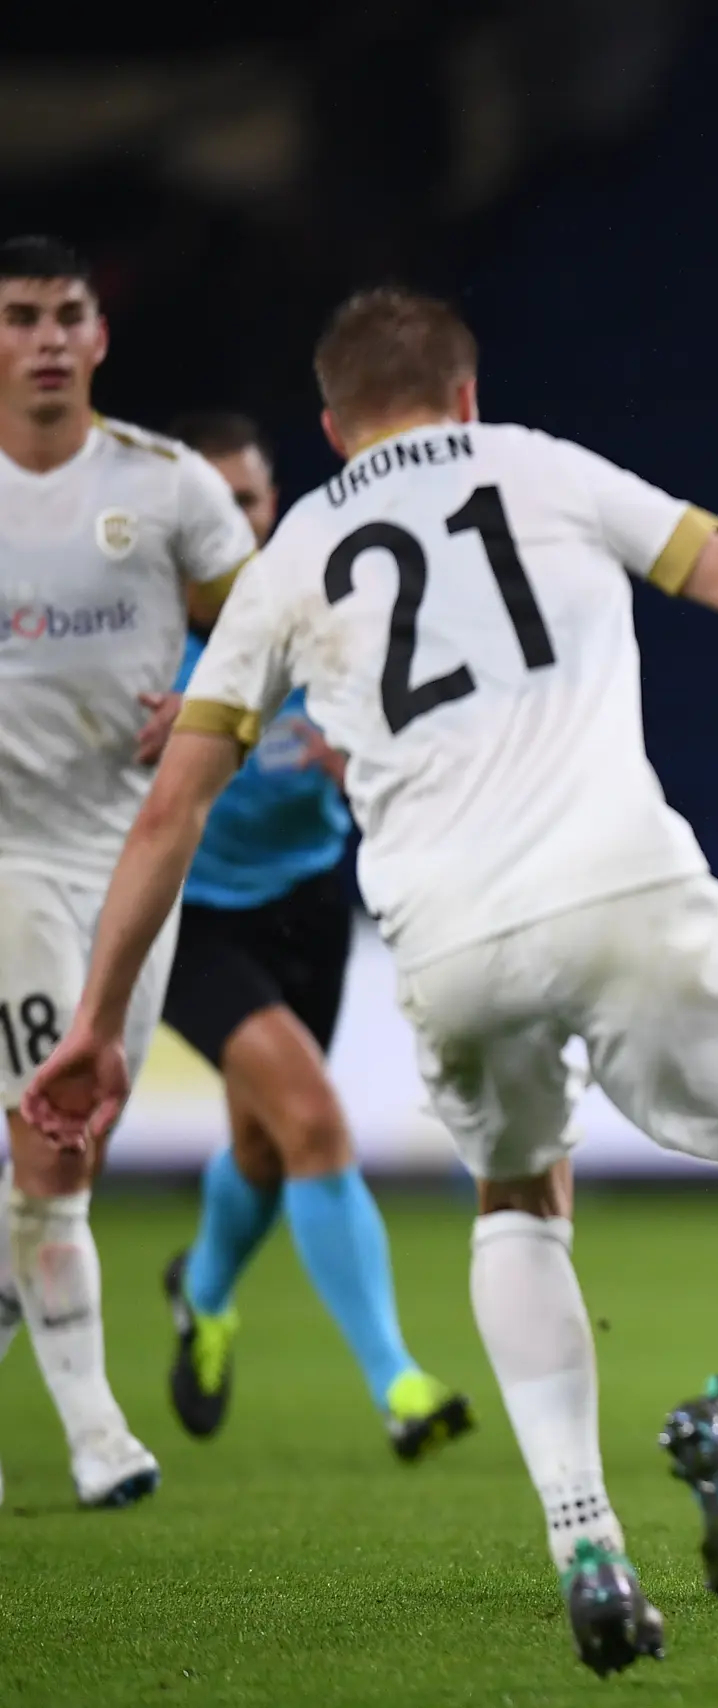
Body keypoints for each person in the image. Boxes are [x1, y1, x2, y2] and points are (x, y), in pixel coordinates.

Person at [23, 287, 718, 1674]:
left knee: (518, 1197)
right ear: (468, 395)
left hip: (446, 936)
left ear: (330, 428)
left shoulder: (293, 552)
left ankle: (585, 1541)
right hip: (620, 883)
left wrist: (98, 1027)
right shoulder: (546, 469)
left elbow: (168, 812)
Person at [149, 409, 473, 1458]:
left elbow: (425, 735)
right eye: (209, 501)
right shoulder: (136, 638)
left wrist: (367, 756)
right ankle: (398, 1383)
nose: (231, 519)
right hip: (191, 920)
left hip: (307, 907)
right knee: (316, 1123)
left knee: (264, 1139)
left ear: (272, 504)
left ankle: (201, 1292)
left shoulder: (326, 611)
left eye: (245, 498)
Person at [0, 235, 259, 1510]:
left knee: (66, 1152)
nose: (46, 339)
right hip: (9, 860)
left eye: (67, 315)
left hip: (135, 865)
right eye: (20, 317)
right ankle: (100, 1435)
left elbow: (265, 625)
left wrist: (208, 696)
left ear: (101, 336)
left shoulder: (167, 487)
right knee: (49, 1139)